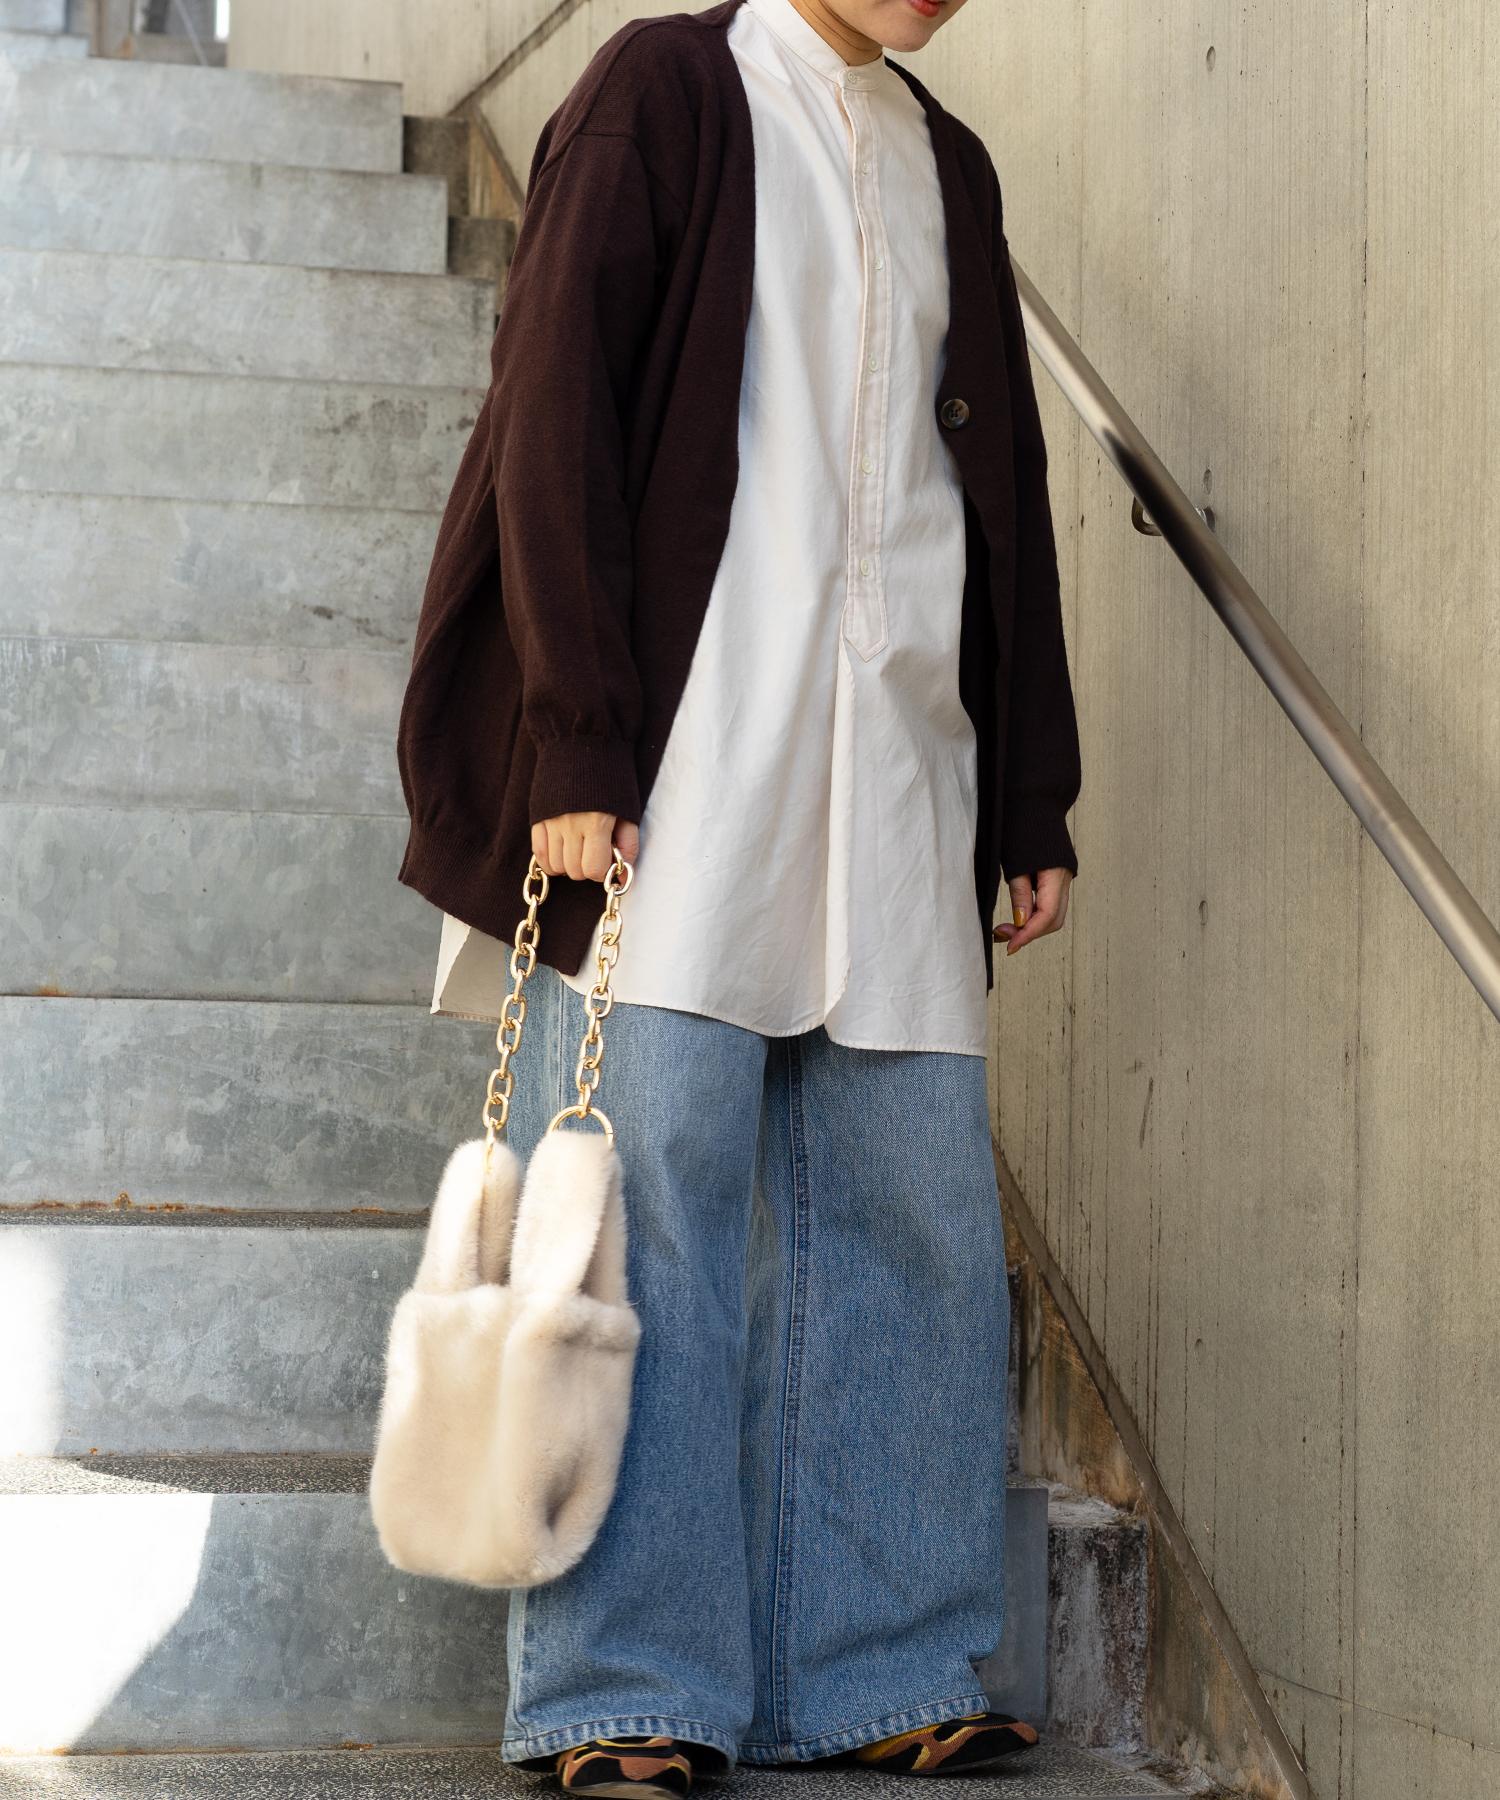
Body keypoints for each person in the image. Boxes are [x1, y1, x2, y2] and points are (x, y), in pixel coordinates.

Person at [395, 0, 1083, 1792]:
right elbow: (552, 414)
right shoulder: (666, 91)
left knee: (914, 1226)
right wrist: (573, 741)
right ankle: (622, 1683)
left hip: (902, 765)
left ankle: (883, 1663)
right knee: (652, 1215)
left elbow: (1001, 494)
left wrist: (1030, 789)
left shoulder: (950, 163)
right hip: (681, 762)